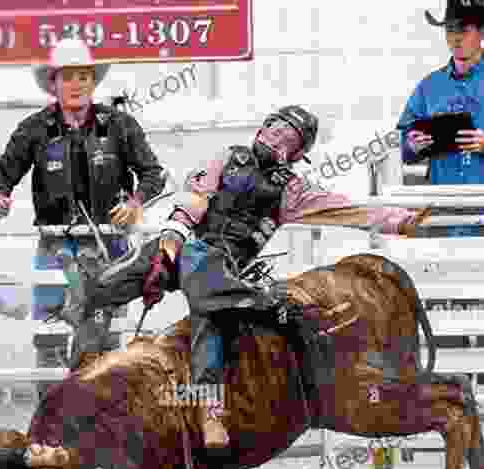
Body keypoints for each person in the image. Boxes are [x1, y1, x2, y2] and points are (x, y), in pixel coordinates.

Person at [65, 104, 431, 451]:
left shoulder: (292, 191)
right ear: (262, 128)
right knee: (101, 288)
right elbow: (195, 198)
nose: (277, 137)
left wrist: (398, 220)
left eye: (288, 138)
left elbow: (343, 208)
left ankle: (210, 408)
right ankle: (81, 372)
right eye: (275, 129)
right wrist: (169, 244)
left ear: (295, 153)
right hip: (183, 243)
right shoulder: (229, 156)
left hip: (219, 267)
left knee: (209, 317)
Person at [0, 36, 165, 399]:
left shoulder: (119, 124)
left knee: (107, 329)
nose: (77, 84)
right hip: (55, 245)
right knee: (52, 326)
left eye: (84, 76)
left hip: (110, 244)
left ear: (94, 82)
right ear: (53, 83)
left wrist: (135, 202)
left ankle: (109, 413)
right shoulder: (34, 128)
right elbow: (2, 173)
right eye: (68, 77)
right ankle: (50, 410)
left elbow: (154, 174)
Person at [398, 0, 484, 234]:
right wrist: (413, 145)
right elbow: (405, 151)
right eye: (450, 30)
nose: (456, 38)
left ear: (481, 32)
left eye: (464, 30)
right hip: (442, 216)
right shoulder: (428, 87)